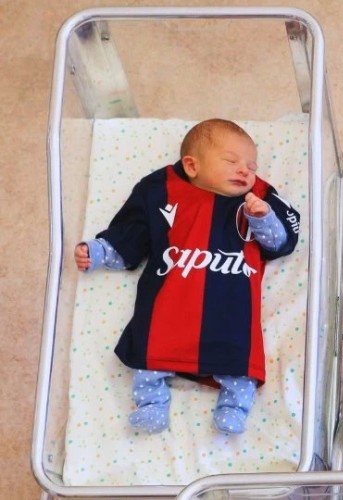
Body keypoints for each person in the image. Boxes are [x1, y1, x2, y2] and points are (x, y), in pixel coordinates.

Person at [75, 118, 301, 434]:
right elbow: (132, 232)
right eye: (231, 161)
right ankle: (151, 403)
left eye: (252, 166)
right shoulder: (160, 189)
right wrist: (100, 251)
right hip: (170, 303)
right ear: (192, 165)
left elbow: (281, 243)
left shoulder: (259, 196)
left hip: (229, 307)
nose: (245, 171)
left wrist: (262, 218)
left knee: (239, 355)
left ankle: (234, 406)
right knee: (150, 346)